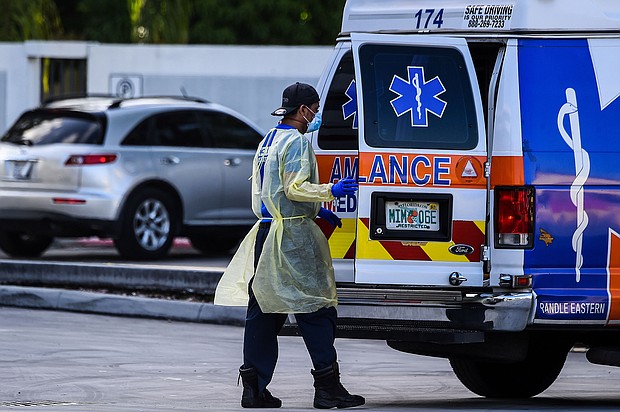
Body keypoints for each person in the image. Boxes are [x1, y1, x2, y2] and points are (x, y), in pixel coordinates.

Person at [214, 82, 364, 409]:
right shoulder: (296, 142)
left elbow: (270, 191)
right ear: (303, 110)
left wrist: (314, 209)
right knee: (317, 308)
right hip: (292, 238)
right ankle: (327, 387)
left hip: (266, 232)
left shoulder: (268, 140)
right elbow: (295, 188)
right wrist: (330, 192)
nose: (317, 115)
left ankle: (253, 388)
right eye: (315, 108)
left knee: (265, 311)